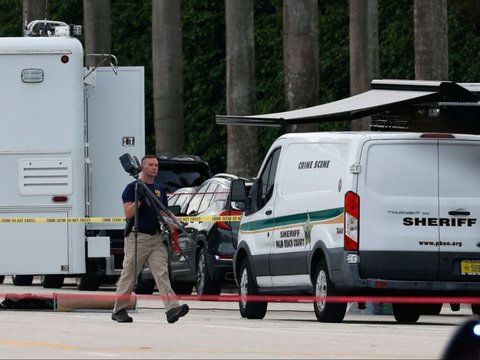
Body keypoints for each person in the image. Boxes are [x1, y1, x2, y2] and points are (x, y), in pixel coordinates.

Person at [112, 155, 189, 323]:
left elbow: (163, 213)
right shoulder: (131, 188)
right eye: (151, 165)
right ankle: (119, 310)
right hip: (137, 237)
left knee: (162, 274)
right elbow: (128, 213)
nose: (155, 167)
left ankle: (172, 308)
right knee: (129, 275)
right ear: (142, 167)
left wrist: (177, 224)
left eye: (156, 165)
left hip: (155, 238)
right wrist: (139, 199)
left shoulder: (160, 189)